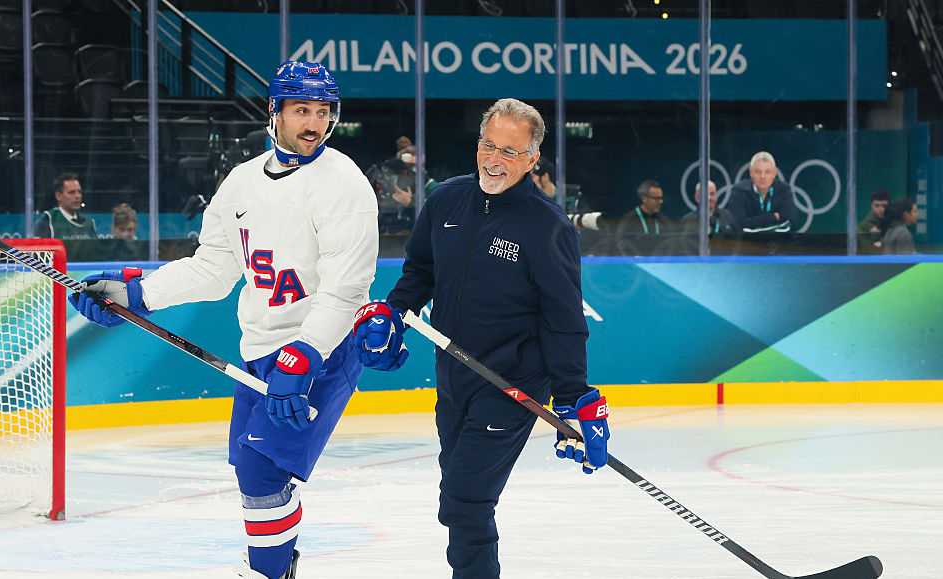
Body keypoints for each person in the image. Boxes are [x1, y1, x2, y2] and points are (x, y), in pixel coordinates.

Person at [68, 61, 378, 579]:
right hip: (259, 353)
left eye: (323, 112)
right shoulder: (240, 183)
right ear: (274, 112)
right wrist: (138, 292)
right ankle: (279, 564)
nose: (314, 124)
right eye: (302, 110)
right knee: (254, 475)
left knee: (262, 468)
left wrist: (304, 355)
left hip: (320, 352)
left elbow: (347, 290)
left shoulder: (344, 184)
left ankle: (267, 572)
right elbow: (213, 269)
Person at [350, 98, 610, 579]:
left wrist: (574, 396)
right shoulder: (447, 200)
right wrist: (393, 311)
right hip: (453, 377)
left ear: (532, 160)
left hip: (510, 385)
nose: (494, 159)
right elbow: (420, 272)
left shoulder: (546, 227)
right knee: (459, 500)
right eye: (489, 145)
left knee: (466, 503)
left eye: (510, 152)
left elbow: (563, 320)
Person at [726, 151, 797, 234]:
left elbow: (791, 223)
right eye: (758, 172)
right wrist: (773, 217)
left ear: (774, 173)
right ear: (751, 173)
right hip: (746, 244)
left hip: (777, 243)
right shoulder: (739, 191)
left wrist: (751, 225)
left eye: (767, 172)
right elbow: (737, 225)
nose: (762, 176)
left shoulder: (784, 190)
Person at [33, 173, 98, 239]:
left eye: (79, 192)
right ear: (58, 196)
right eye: (71, 192)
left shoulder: (88, 223)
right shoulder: (48, 220)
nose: (77, 196)